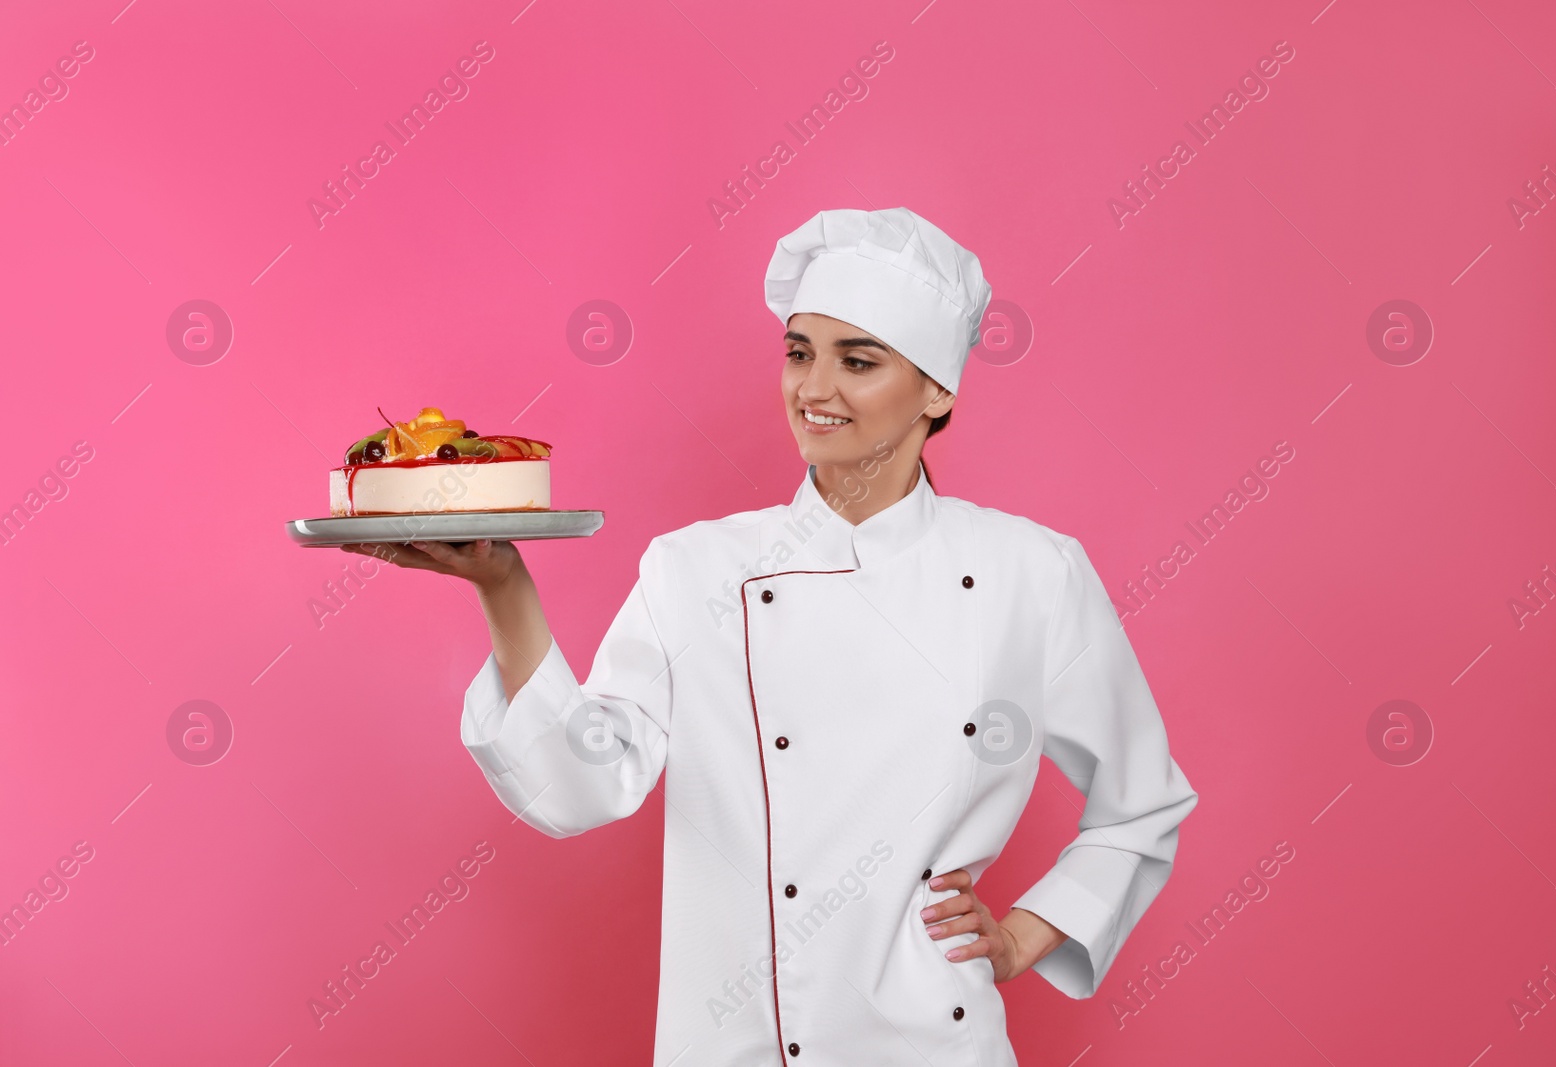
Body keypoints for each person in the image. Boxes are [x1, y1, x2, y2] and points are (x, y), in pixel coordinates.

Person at [344, 206, 1198, 1066]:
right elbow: (579, 790)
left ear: (939, 389)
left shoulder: (1031, 573)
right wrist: (505, 586)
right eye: (798, 352)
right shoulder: (696, 570)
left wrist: (1021, 936)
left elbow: (1144, 801)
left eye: (857, 360)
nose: (813, 389)